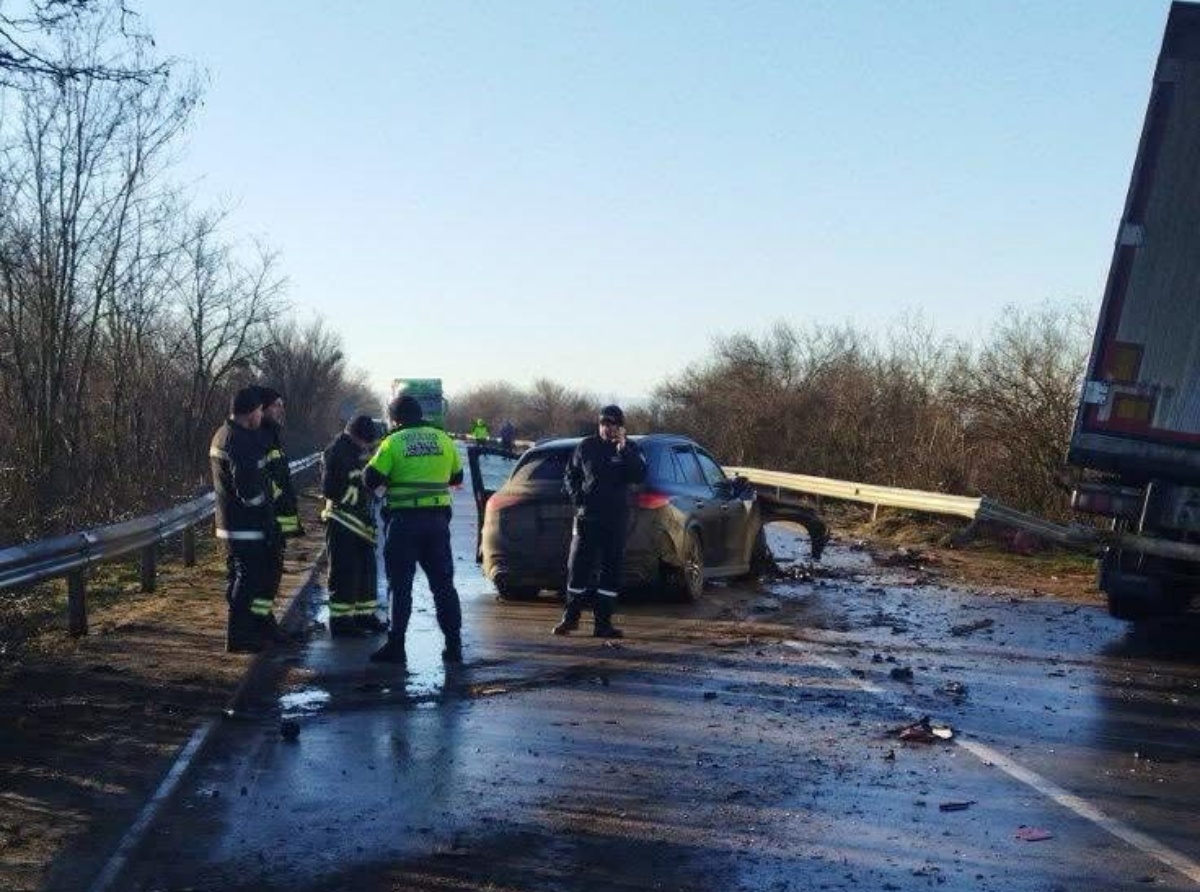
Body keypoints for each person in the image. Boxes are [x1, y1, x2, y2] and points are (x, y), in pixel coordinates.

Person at [364, 395, 465, 665]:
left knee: (401, 587)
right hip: (437, 523)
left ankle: (396, 647)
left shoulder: (393, 442)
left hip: (404, 523)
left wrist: (387, 487)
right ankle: (454, 646)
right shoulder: (443, 439)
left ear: (395, 418)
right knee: (444, 586)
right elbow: (457, 477)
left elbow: (369, 478)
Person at [556, 404, 647, 638]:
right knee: (577, 568)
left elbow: (639, 474)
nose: (607, 428)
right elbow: (570, 474)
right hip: (587, 517)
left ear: (620, 427)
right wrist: (577, 497)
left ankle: (603, 623)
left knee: (610, 570)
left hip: (615, 519)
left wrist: (624, 449)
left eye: (612, 424)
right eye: (604, 423)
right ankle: (570, 618)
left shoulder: (630, 449)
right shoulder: (586, 447)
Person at [210, 386, 275, 653]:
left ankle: (243, 633)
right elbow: (247, 486)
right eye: (260, 411)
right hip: (245, 524)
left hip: (232, 522)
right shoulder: (239, 440)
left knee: (241, 578)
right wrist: (264, 511)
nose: (261, 416)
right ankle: (239, 637)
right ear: (250, 413)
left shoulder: (224, 433)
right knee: (248, 579)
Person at [321, 415, 384, 636]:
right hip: (342, 520)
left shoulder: (360, 450)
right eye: (365, 442)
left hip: (362, 523)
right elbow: (330, 489)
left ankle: (364, 615)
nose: (367, 447)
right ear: (357, 436)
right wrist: (355, 495)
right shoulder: (336, 451)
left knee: (366, 571)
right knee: (344, 573)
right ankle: (341, 622)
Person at [256, 387, 304, 640]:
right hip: (267, 520)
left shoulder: (272, 435)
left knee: (272, 575)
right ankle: (262, 625)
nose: (281, 410)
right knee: (264, 577)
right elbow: (264, 479)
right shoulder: (261, 437)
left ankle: (266, 623)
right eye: (277, 405)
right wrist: (279, 502)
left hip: (275, 522)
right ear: (262, 408)